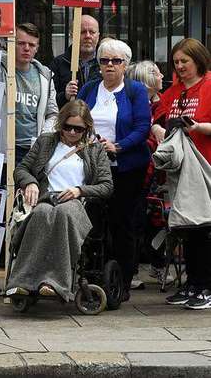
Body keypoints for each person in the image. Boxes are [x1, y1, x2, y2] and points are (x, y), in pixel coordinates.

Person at [7, 100, 113, 301]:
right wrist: (31, 183)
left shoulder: (94, 149)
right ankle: (22, 282)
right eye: (67, 127)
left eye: (78, 129)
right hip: (47, 198)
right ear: (60, 124)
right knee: (40, 214)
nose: (72, 133)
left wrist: (79, 190)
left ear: (87, 128)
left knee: (64, 215)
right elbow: (21, 169)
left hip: (77, 202)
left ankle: (55, 283)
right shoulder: (46, 141)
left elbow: (106, 185)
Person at [75, 39, 151, 301]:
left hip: (126, 167)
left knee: (123, 224)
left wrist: (117, 146)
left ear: (125, 65)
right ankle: (91, 274)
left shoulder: (136, 90)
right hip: (93, 167)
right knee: (92, 222)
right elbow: (75, 119)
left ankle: (123, 282)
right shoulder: (89, 89)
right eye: (104, 60)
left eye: (115, 61)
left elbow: (143, 128)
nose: (109, 65)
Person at [152, 38, 211, 309]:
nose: (179, 66)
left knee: (203, 228)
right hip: (179, 169)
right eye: (176, 62)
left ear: (198, 60)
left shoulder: (209, 85)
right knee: (185, 228)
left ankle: (205, 285)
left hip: (203, 165)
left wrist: (197, 127)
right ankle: (191, 282)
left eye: (184, 61)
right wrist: (160, 131)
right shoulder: (173, 91)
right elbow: (157, 120)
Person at [125, 60, 173, 289]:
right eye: (156, 72)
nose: (162, 75)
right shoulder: (136, 104)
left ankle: (158, 264)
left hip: (160, 171)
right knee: (136, 219)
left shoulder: (163, 104)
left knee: (158, 220)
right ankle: (132, 268)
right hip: (142, 167)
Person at [14, 22, 59, 163]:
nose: (26, 48)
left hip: (32, 149)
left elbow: (52, 113)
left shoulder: (45, 75)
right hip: (3, 148)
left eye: (32, 45)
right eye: (21, 43)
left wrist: (43, 139)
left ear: (37, 48)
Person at [51, 14, 102, 109]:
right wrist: (65, 96)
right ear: (71, 35)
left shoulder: (105, 63)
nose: (88, 36)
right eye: (82, 32)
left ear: (98, 36)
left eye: (92, 32)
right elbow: (49, 103)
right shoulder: (58, 64)